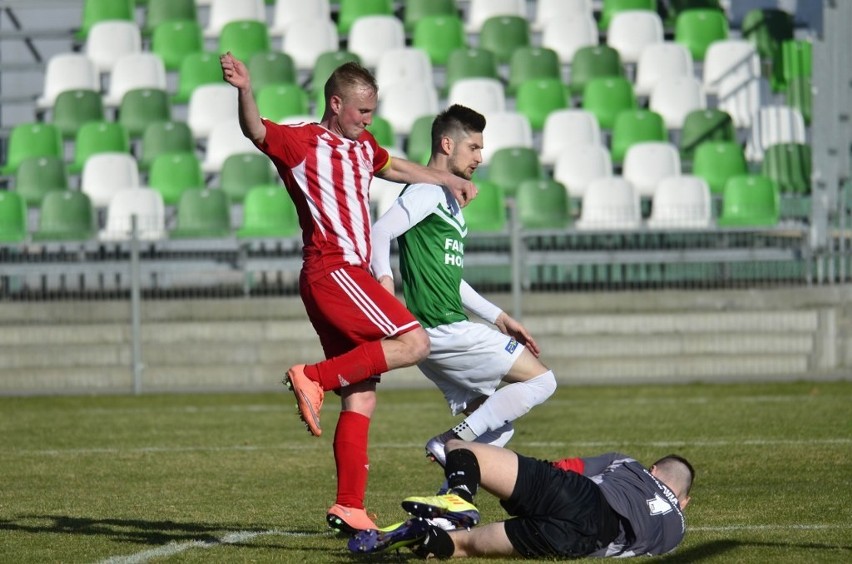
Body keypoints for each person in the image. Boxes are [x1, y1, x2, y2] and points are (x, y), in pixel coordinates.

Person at [219, 53, 477, 534]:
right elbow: (256, 131)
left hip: (343, 277)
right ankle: (312, 376)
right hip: (332, 269)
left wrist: (446, 177)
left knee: (361, 395)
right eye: (362, 111)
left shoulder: (363, 147)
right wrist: (245, 90)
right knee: (414, 342)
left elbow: (395, 167)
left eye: (373, 112)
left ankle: (349, 505)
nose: (368, 120)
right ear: (335, 104)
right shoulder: (302, 143)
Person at [370, 104, 557, 470]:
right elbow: (380, 232)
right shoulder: (426, 192)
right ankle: (449, 442)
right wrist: (386, 287)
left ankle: (449, 501)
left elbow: (452, 279)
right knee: (543, 382)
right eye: (473, 147)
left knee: (497, 428)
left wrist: (499, 317)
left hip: (437, 332)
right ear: (446, 144)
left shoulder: (449, 201)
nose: (480, 157)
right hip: (443, 327)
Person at [349, 439, 695, 559]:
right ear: (684, 501)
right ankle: (422, 536)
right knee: (463, 547)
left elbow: (568, 467)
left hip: (582, 497)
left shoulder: (629, 464)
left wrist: (535, 478)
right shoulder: (676, 532)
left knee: (459, 448)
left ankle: (460, 496)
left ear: (653, 469)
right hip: (578, 542)